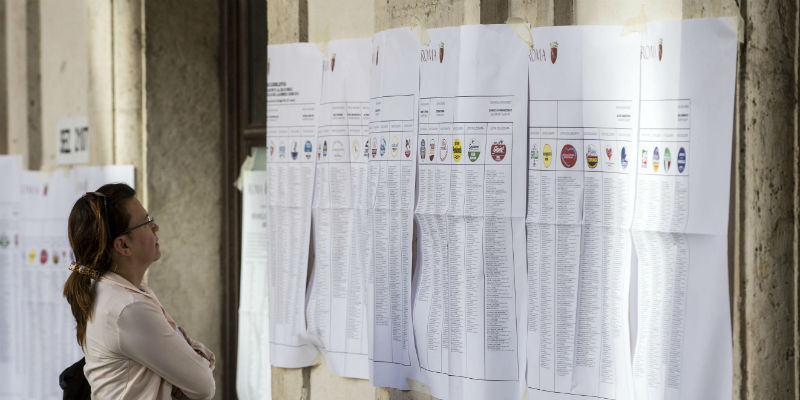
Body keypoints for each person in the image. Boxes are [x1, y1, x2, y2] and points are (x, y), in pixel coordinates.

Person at [63, 183, 215, 399]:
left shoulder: (124, 291)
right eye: (147, 221)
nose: (156, 227)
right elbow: (203, 385)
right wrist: (191, 356)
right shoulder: (128, 308)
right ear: (123, 245)